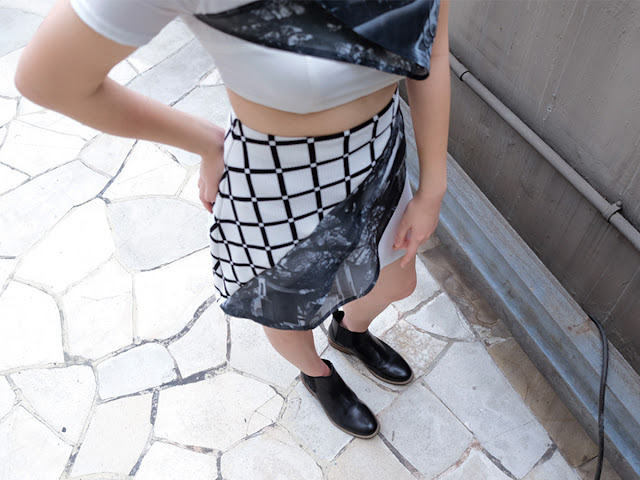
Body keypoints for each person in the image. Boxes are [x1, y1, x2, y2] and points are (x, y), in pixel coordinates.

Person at [16, 0, 450, 439]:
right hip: (277, 180)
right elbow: (49, 79)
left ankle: (350, 333)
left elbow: (432, 44)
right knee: (285, 310)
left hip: (378, 154)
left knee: (397, 282)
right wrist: (208, 142)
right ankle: (316, 374)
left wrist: (432, 186)